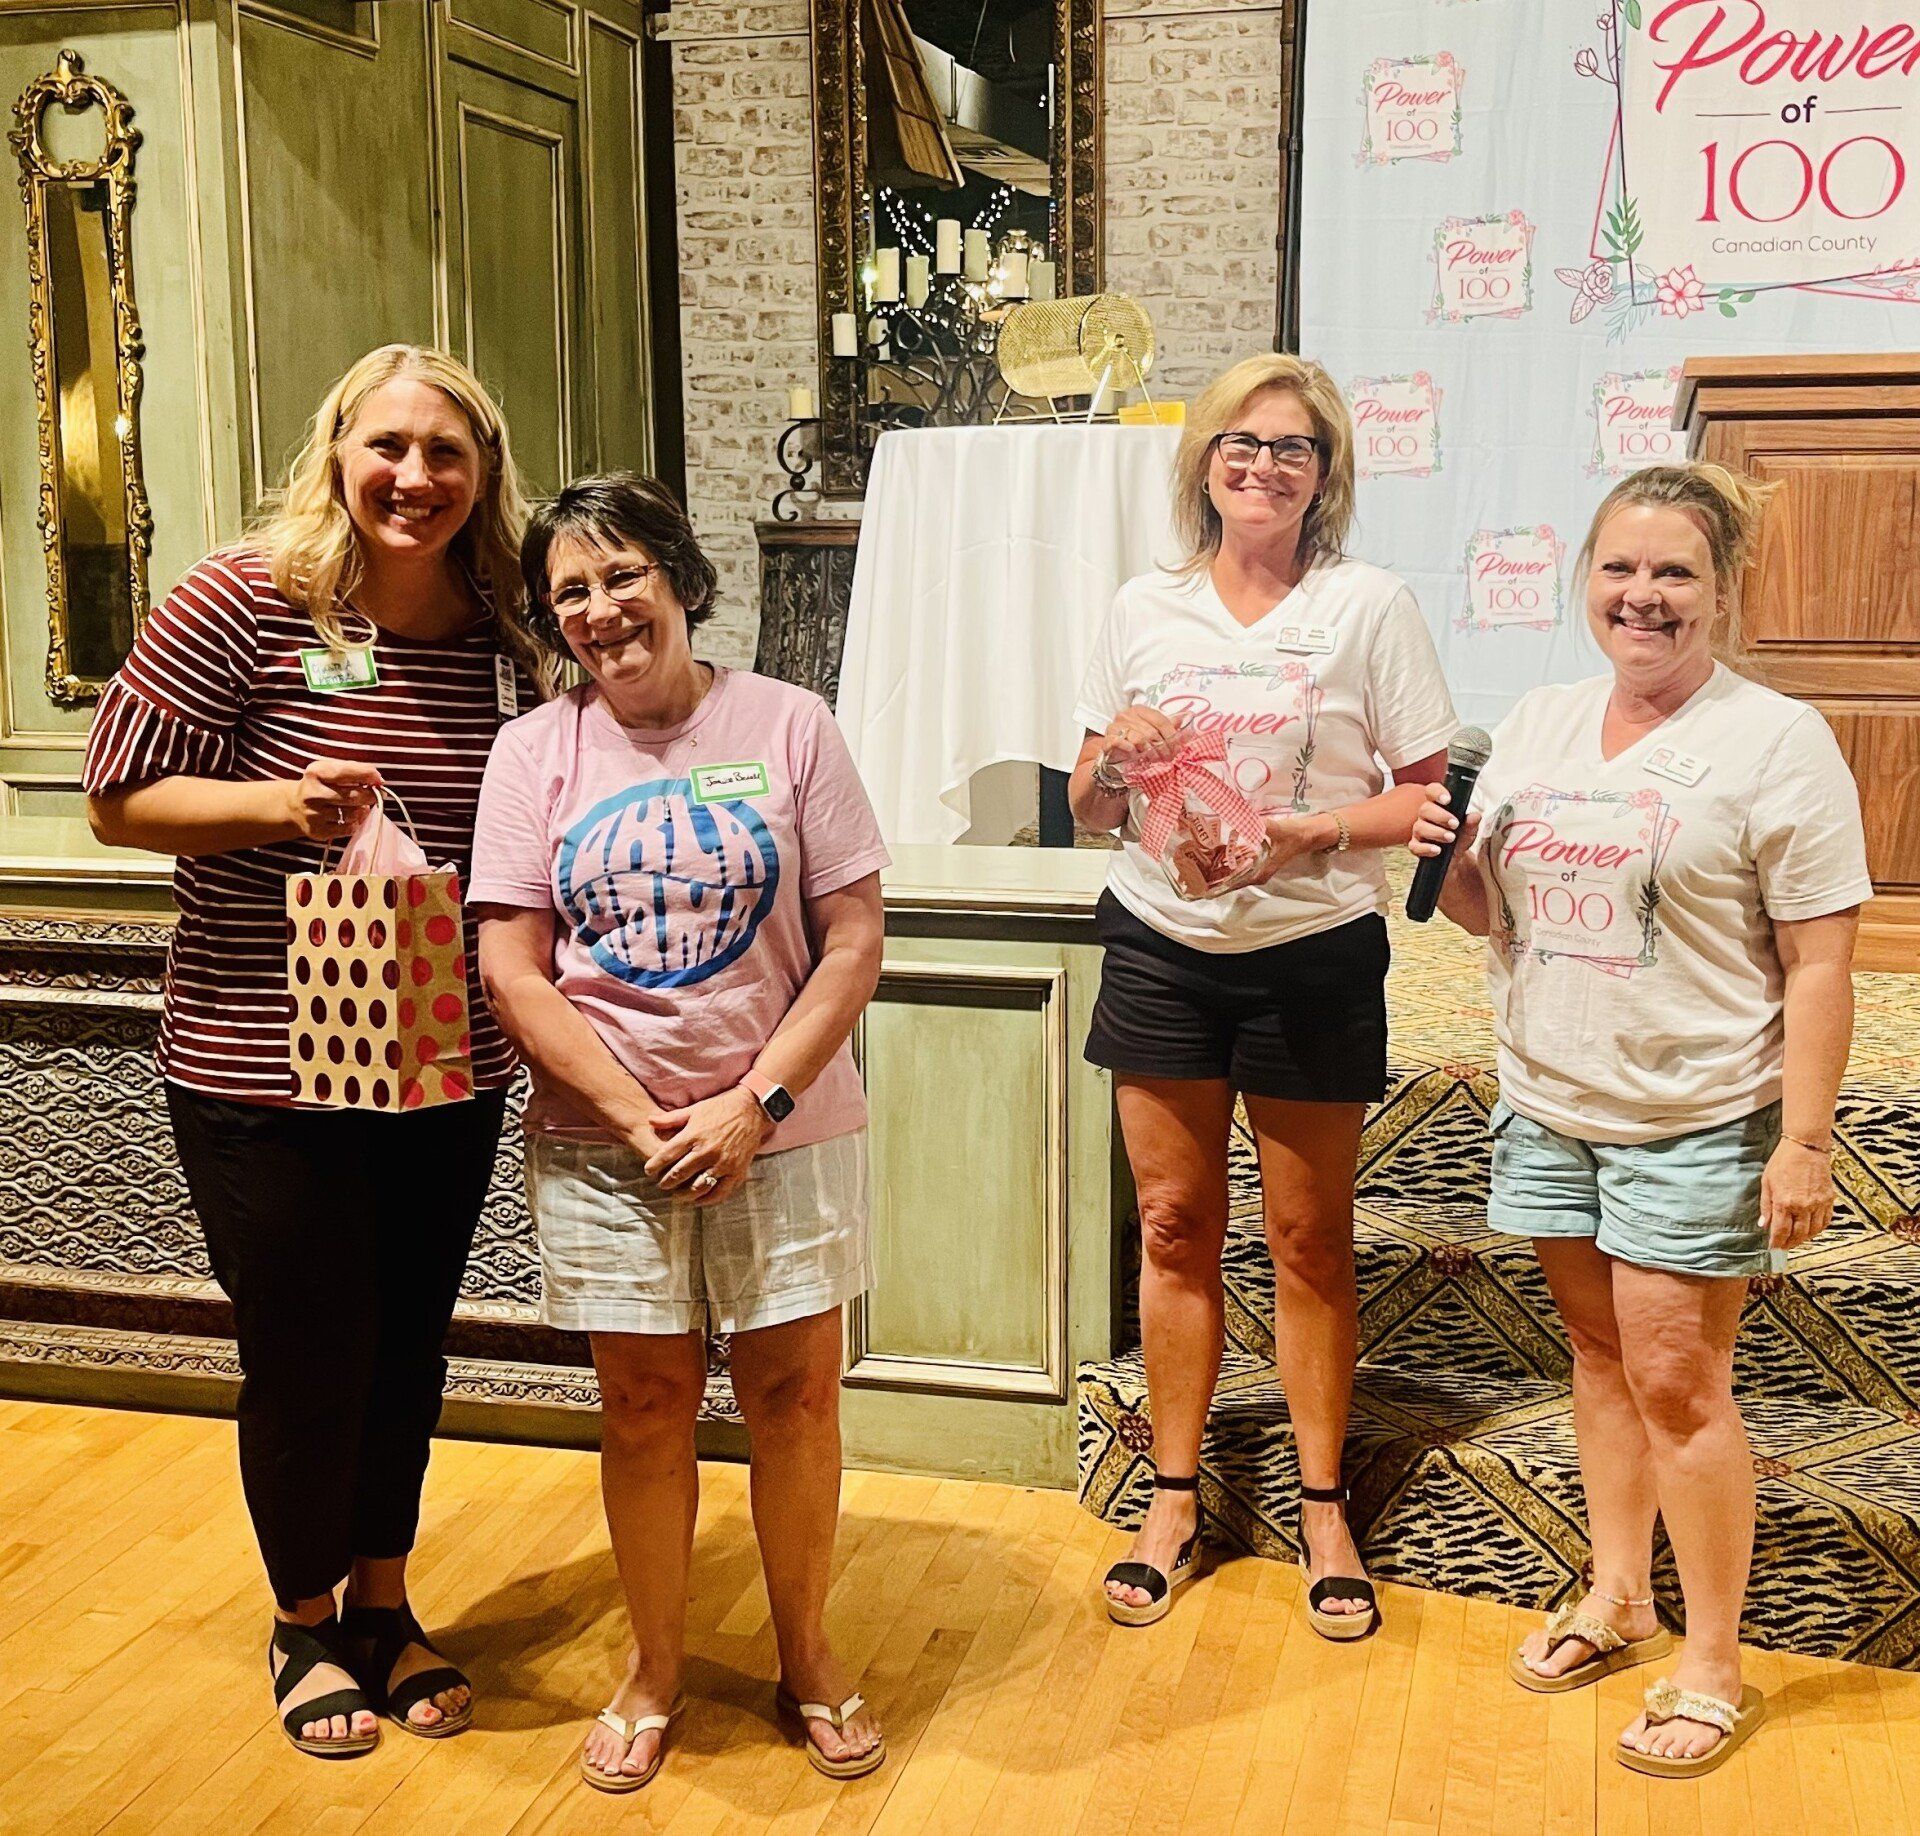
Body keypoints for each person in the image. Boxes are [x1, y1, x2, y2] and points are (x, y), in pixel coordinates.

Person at [83, 344, 548, 1755]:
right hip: (258, 1062)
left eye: (446, 452)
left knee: (406, 1343)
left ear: (484, 472)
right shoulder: (244, 597)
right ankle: (302, 1621)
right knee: (306, 1350)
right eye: (387, 446)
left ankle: (386, 1606)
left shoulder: (506, 622)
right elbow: (117, 798)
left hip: (443, 1057)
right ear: (337, 453)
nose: (415, 477)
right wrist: (278, 806)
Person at [1411, 462, 1869, 1779]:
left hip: (1697, 1112)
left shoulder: (1776, 740)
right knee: (1599, 1358)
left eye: (1675, 571)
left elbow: (1821, 963)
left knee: (1678, 1382)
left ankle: (1713, 1661)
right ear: (1587, 581)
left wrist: (1804, 1139)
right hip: (1551, 1099)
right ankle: (1618, 1595)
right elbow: (1496, 918)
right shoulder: (1541, 721)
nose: (1643, 595)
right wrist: (1448, 865)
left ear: (1723, 589)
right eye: (1620, 568)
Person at [470, 472, 890, 1793]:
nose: (601, 610)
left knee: (794, 1399)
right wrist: (633, 1113)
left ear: (679, 580)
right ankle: (655, 1667)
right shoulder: (533, 753)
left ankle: (806, 1650)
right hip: (608, 1147)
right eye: (570, 593)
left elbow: (853, 941)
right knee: (644, 1408)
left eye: (622, 576)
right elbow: (513, 967)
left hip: (785, 1132)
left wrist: (753, 1105)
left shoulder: (790, 724)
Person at [1069, 353, 1457, 1636]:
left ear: (1324, 471)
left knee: (1308, 1240)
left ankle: (1322, 1503)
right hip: (1163, 943)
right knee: (1175, 1226)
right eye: (1241, 441)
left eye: (1293, 446)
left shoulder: (1369, 605)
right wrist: (1116, 762)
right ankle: (1174, 1496)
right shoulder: (1144, 606)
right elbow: (1087, 808)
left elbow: (1426, 800)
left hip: (1313, 950)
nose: (1264, 465)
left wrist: (1309, 834)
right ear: (1205, 462)